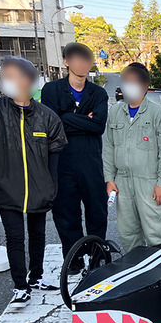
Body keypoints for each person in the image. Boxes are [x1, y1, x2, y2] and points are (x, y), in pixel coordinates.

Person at [0, 57, 67, 306]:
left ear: (27, 80)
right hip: (5, 186)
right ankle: (20, 286)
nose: (5, 81)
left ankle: (36, 277)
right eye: (4, 76)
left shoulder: (47, 117)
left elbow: (55, 155)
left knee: (38, 234)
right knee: (14, 237)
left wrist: (52, 187)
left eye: (11, 76)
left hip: (39, 187)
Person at [41, 43, 109, 260]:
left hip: (91, 162)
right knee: (66, 214)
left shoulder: (98, 93)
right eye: (76, 59)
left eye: (86, 59)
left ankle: (97, 256)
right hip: (62, 162)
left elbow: (98, 126)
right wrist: (83, 119)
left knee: (97, 213)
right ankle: (74, 258)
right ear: (66, 62)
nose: (81, 63)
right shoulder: (51, 90)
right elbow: (52, 125)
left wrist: (67, 117)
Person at [103, 63, 161, 252]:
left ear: (144, 87)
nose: (129, 86)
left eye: (133, 82)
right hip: (123, 183)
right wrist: (109, 179)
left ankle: (160, 273)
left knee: (157, 232)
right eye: (126, 81)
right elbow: (109, 146)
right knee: (128, 233)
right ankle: (136, 272)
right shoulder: (116, 113)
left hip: (149, 183)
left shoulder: (157, 113)